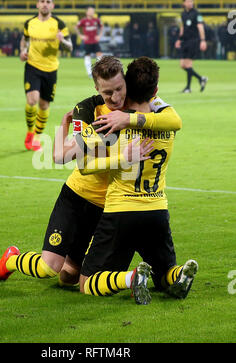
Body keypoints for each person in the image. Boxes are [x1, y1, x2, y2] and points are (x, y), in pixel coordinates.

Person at [0, 56, 183, 288]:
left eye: (119, 89)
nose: (115, 97)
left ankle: (124, 278)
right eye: (108, 92)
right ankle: (11, 259)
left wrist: (130, 119)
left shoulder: (140, 104)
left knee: (69, 277)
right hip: (78, 196)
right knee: (48, 268)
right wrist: (64, 128)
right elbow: (61, 158)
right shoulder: (89, 110)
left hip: (105, 207)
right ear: (97, 89)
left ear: (126, 82)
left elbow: (174, 120)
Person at [77, 57, 198, 304]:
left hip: (121, 211)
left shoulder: (111, 123)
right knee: (164, 275)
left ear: (127, 87)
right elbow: (175, 120)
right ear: (155, 91)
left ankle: (131, 279)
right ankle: (180, 274)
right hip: (156, 211)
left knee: (87, 282)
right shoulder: (166, 121)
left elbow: (85, 166)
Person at [21, 0, 73, 152]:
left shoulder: (59, 24)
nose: (44, 4)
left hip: (51, 69)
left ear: (52, 5)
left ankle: (37, 135)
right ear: (37, 4)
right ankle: (30, 132)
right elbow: (24, 40)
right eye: (42, 1)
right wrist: (22, 51)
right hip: (33, 66)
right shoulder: (29, 23)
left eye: (48, 1)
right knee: (32, 100)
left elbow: (70, 47)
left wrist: (62, 40)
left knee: (44, 105)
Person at [175, 0, 208, 93]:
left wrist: (203, 40)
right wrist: (179, 39)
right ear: (184, 3)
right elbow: (182, 27)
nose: (190, 3)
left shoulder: (197, 14)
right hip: (185, 41)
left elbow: (200, 27)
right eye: (188, 1)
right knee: (183, 65)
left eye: (191, 1)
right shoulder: (183, 14)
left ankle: (188, 87)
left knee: (188, 64)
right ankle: (201, 78)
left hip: (193, 41)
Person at [75, 6, 103, 78]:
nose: (92, 12)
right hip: (87, 42)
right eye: (90, 11)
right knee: (87, 56)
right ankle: (89, 73)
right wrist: (81, 36)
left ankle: (97, 72)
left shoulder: (96, 20)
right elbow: (76, 27)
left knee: (100, 55)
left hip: (95, 41)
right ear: (87, 12)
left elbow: (102, 27)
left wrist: (99, 35)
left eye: (93, 11)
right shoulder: (83, 21)